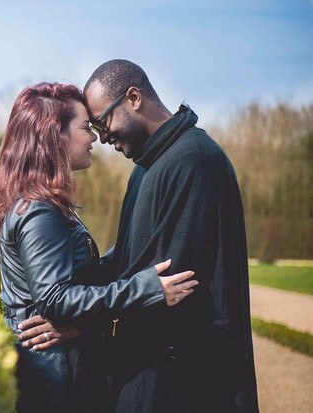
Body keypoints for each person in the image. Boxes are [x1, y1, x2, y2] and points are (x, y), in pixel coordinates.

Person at [0, 82, 198, 413]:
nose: (96, 138)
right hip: (55, 377)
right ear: (56, 135)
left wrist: (131, 247)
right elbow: (55, 299)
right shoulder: (40, 210)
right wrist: (145, 289)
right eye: (85, 128)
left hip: (54, 367)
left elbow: (68, 282)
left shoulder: (36, 201)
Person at [79, 59, 258, 412]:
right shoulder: (147, 166)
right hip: (152, 370)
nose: (102, 138)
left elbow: (171, 279)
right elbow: (131, 257)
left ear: (133, 97)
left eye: (103, 122)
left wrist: (81, 326)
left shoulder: (194, 160)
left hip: (185, 381)